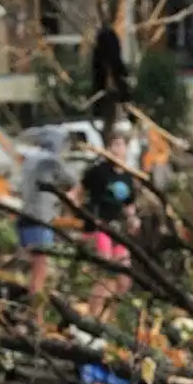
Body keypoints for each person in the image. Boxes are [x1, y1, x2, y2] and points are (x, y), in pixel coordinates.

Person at [80, 135, 138, 320]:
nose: (118, 149)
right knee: (107, 272)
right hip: (100, 225)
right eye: (115, 144)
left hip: (119, 228)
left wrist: (133, 219)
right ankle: (93, 315)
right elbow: (78, 191)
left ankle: (108, 319)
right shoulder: (99, 171)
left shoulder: (128, 176)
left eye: (122, 144)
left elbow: (129, 204)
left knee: (124, 279)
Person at [17, 127, 74, 298]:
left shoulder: (30, 160)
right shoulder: (51, 162)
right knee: (40, 269)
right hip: (40, 221)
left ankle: (26, 306)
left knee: (31, 267)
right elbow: (71, 180)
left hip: (24, 218)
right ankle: (36, 312)